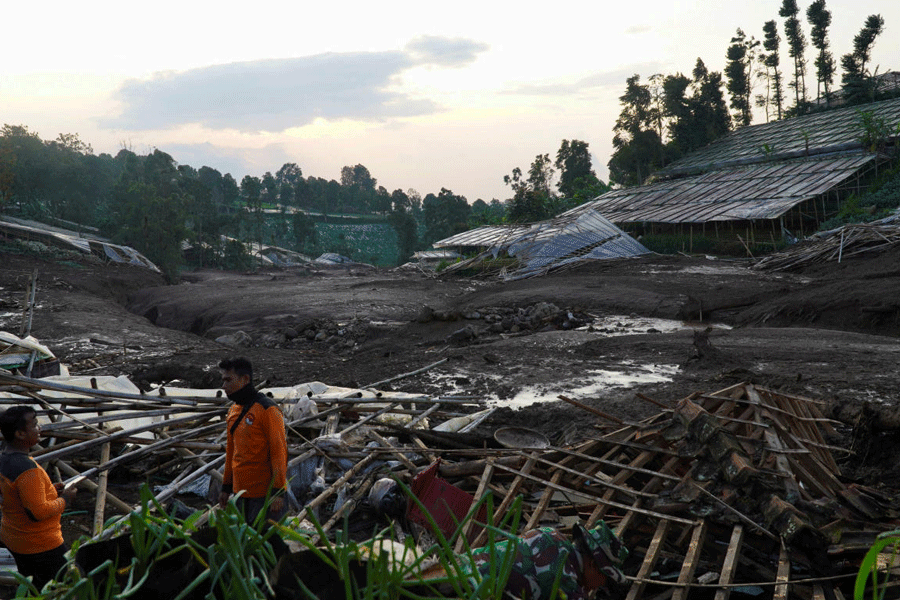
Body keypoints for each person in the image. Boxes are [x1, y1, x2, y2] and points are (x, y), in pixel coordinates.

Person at [0, 405, 77, 590]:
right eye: (34, 425)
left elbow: (14, 496)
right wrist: (65, 499)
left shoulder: (4, 459)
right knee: (61, 586)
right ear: (20, 434)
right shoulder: (28, 470)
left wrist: (50, 490)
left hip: (14, 538)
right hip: (40, 545)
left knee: (33, 583)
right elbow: (38, 512)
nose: (39, 428)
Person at [466, 522, 628, 600]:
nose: (599, 586)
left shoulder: (551, 534)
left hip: (462, 564)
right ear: (593, 565)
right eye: (604, 579)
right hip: (474, 588)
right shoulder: (565, 580)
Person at [217, 357, 288, 525]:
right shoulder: (233, 411)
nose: (223, 386)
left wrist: (278, 491)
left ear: (245, 380)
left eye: (228, 380)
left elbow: (279, 451)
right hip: (240, 493)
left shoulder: (267, 409)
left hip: (264, 495)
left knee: (264, 544)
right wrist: (226, 487)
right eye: (223, 380)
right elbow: (231, 452)